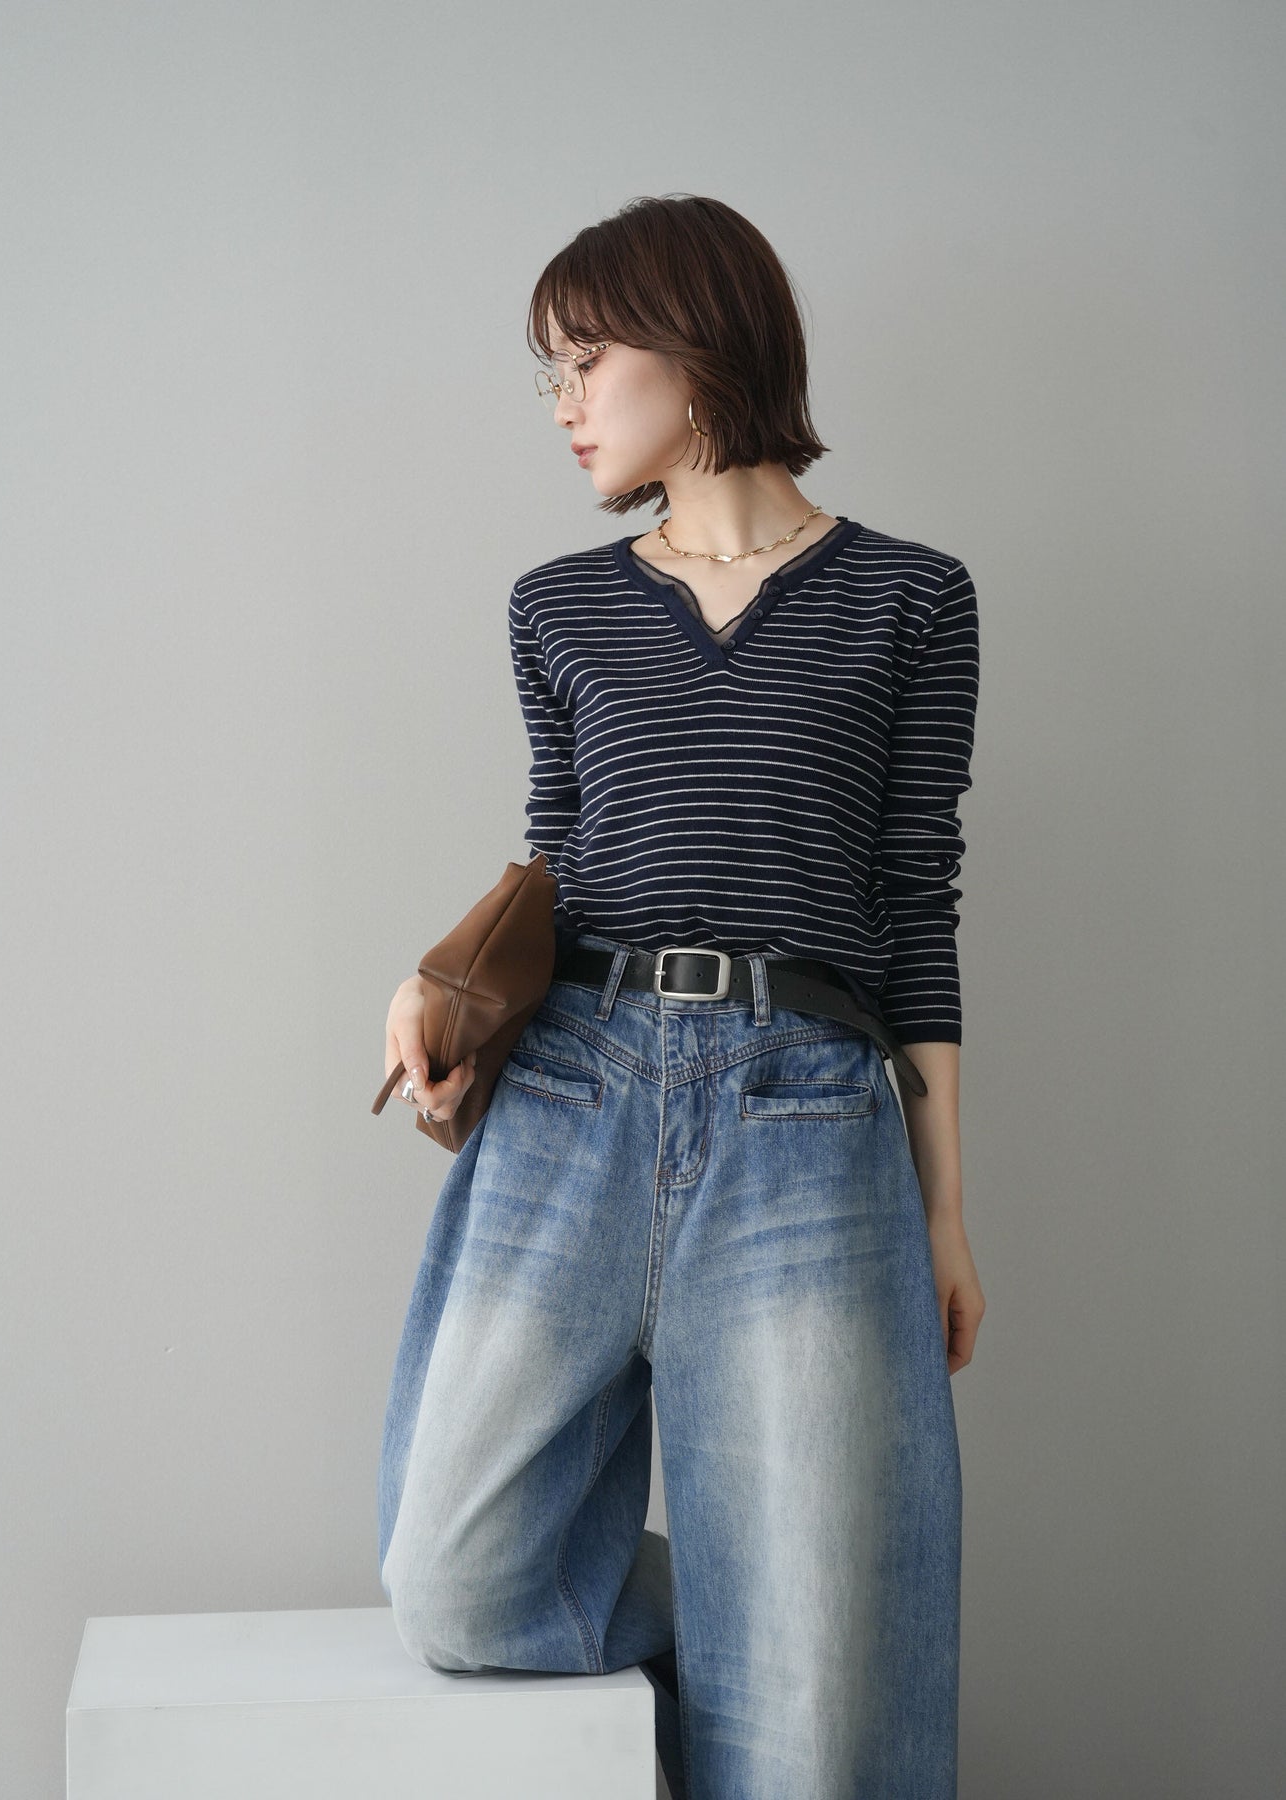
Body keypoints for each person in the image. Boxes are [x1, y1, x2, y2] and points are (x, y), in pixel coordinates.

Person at [375, 193, 985, 1800]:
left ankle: (792, 1618)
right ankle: (751, 1605)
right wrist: (439, 991)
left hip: (805, 1113)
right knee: (454, 1576)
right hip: (573, 1089)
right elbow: (560, 861)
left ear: (697, 348)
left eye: (585, 363)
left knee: (816, 1719)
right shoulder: (558, 606)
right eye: (552, 375)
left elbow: (915, 911)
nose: (563, 406)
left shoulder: (913, 598)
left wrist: (945, 1215)